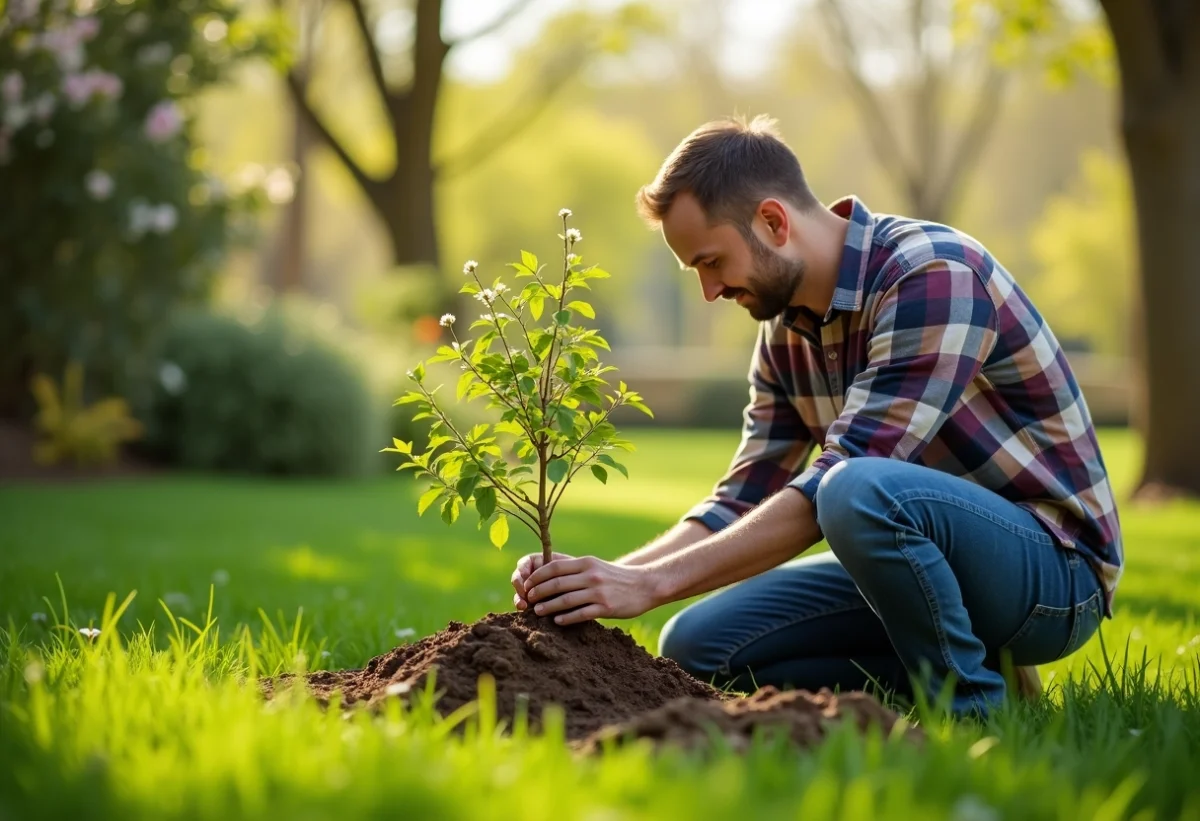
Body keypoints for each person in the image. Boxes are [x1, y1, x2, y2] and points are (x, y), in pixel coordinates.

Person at [510, 115, 1123, 717]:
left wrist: (650, 587)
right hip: (916, 564)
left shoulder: (933, 275)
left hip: (1054, 574)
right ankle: (983, 674)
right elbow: (743, 497)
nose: (710, 291)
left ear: (772, 221)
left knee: (854, 488)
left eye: (712, 262)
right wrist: (609, 577)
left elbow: (850, 476)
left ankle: (972, 713)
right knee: (696, 645)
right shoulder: (783, 332)